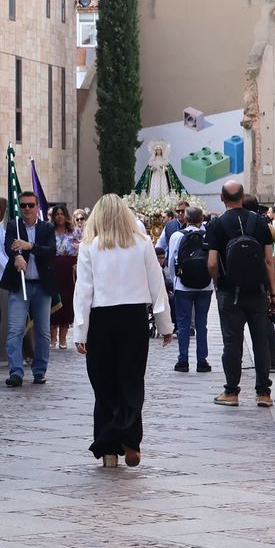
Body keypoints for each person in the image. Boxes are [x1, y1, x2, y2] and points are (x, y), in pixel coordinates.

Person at [71, 194, 174, 467]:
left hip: (101, 318)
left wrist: (80, 331)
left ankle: (108, 448)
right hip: (133, 317)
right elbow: (157, 286)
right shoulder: (141, 244)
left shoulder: (89, 246)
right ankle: (130, 439)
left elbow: (83, 291)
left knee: (103, 384)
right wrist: (165, 325)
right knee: (131, 379)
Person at [205, 180, 275, 408]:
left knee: (231, 343)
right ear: (243, 196)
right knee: (260, 342)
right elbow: (269, 261)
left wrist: (218, 283)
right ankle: (263, 393)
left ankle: (231, 392)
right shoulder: (259, 222)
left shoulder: (216, 225)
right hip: (257, 291)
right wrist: (273, 293)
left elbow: (212, 262)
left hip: (229, 292)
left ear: (221, 198)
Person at [0, 188, 55, 387]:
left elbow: (50, 251)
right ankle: (16, 371)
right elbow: (8, 246)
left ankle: (39, 370)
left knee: (43, 331)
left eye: (31, 205)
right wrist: (17, 256)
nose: (27, 209)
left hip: (42, 286)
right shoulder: (14, 225)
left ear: (37, 207)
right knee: (15, 329)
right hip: (19, 285)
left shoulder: (46, 228)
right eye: (23, 205)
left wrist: (30, 247)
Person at [165, 206, 214, 374]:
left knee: (183, 323)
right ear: (202, 219)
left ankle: (183, 360)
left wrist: (174, 280)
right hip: (205, 285)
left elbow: (171, 261)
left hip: (183, 285)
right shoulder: (209, 235)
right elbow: (214, 260)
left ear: (185, 219)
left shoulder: (177, 236)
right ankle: (202, 361)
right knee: (202, 323)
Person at [50, 205, 78, 350]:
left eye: (62, 214)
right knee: (54, 301)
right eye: (57, 214)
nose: (59, 216)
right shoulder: (49, 231)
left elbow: (82, 249)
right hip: (54, 269)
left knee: (67, 302)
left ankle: (63, 338)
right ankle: (53, 337)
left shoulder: (74, 232)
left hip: (69, 270)